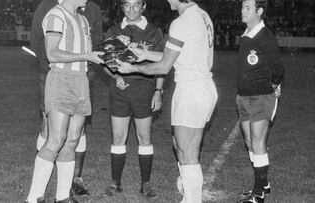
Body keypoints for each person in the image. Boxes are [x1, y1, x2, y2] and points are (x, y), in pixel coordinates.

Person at [115, 0, 218, 202]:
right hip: (203, 87)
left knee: (187, 153)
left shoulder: (181, 22)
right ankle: (189, 195)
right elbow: (178, 54)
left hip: (191, 89)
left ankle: (192, 199)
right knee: (181, 146)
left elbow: (163, 67)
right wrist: (145, 54)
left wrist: (133, 68)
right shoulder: (201, 15)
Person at [25, 0, 103, 202]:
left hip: (82, 81)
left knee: (72, 141)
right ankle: (34, 198)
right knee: (56, 139)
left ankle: (62, 197)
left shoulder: (84, 20)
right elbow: (52, 53)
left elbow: (92, 54)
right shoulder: (55, 15)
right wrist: (86, 55)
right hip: (61, 79)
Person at [101, 0, 165, 199]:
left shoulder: (154, 31)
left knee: (144, 138)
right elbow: (105, 64)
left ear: (144, 7)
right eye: (127, 5)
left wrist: (158, 90)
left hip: (144, 89)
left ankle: (145, 184)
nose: (131, 9)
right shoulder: (113, 30)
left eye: (136, 5)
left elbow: (163, 63)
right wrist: (116, 76)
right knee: (118, 138)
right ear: (122, 7)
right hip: (119, 90)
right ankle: (115, 183)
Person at [236, 0, 284, 203]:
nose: (243, 11)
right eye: (242, 7)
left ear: (259, 11)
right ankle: (262, 184)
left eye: (248, 8)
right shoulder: (247, 35)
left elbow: (278, 69)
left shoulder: (265, 37)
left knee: (258, 143)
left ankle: (259, 194)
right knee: (249, 142)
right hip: (243, 97)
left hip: (261, 98)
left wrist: (274, 86)